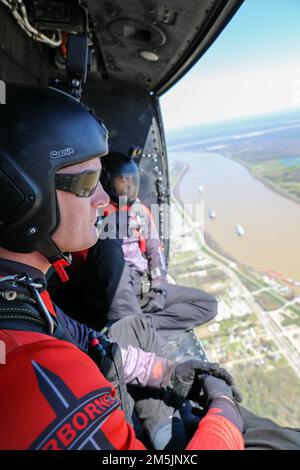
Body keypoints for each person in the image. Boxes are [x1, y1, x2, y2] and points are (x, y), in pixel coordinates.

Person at [0, 82, 244, 450]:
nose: (103, 198)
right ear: (22, 195)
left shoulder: (24, 298)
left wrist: (166, 372)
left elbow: (90, 341)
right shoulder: (36, 374)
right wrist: (225, 415)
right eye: (87, 182)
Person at [52, 151, 217, 337]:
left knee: (207, 304)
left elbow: (155, 250)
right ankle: (130, 323)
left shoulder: (141, 212)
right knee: (108, 240)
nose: (130, 187)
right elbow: (85, 258)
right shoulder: (97, 213)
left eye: (133, 181)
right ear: (107, 181)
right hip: (106, 288)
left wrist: (159, 287)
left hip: (143, 286)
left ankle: (140, 326)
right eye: (123, 182)